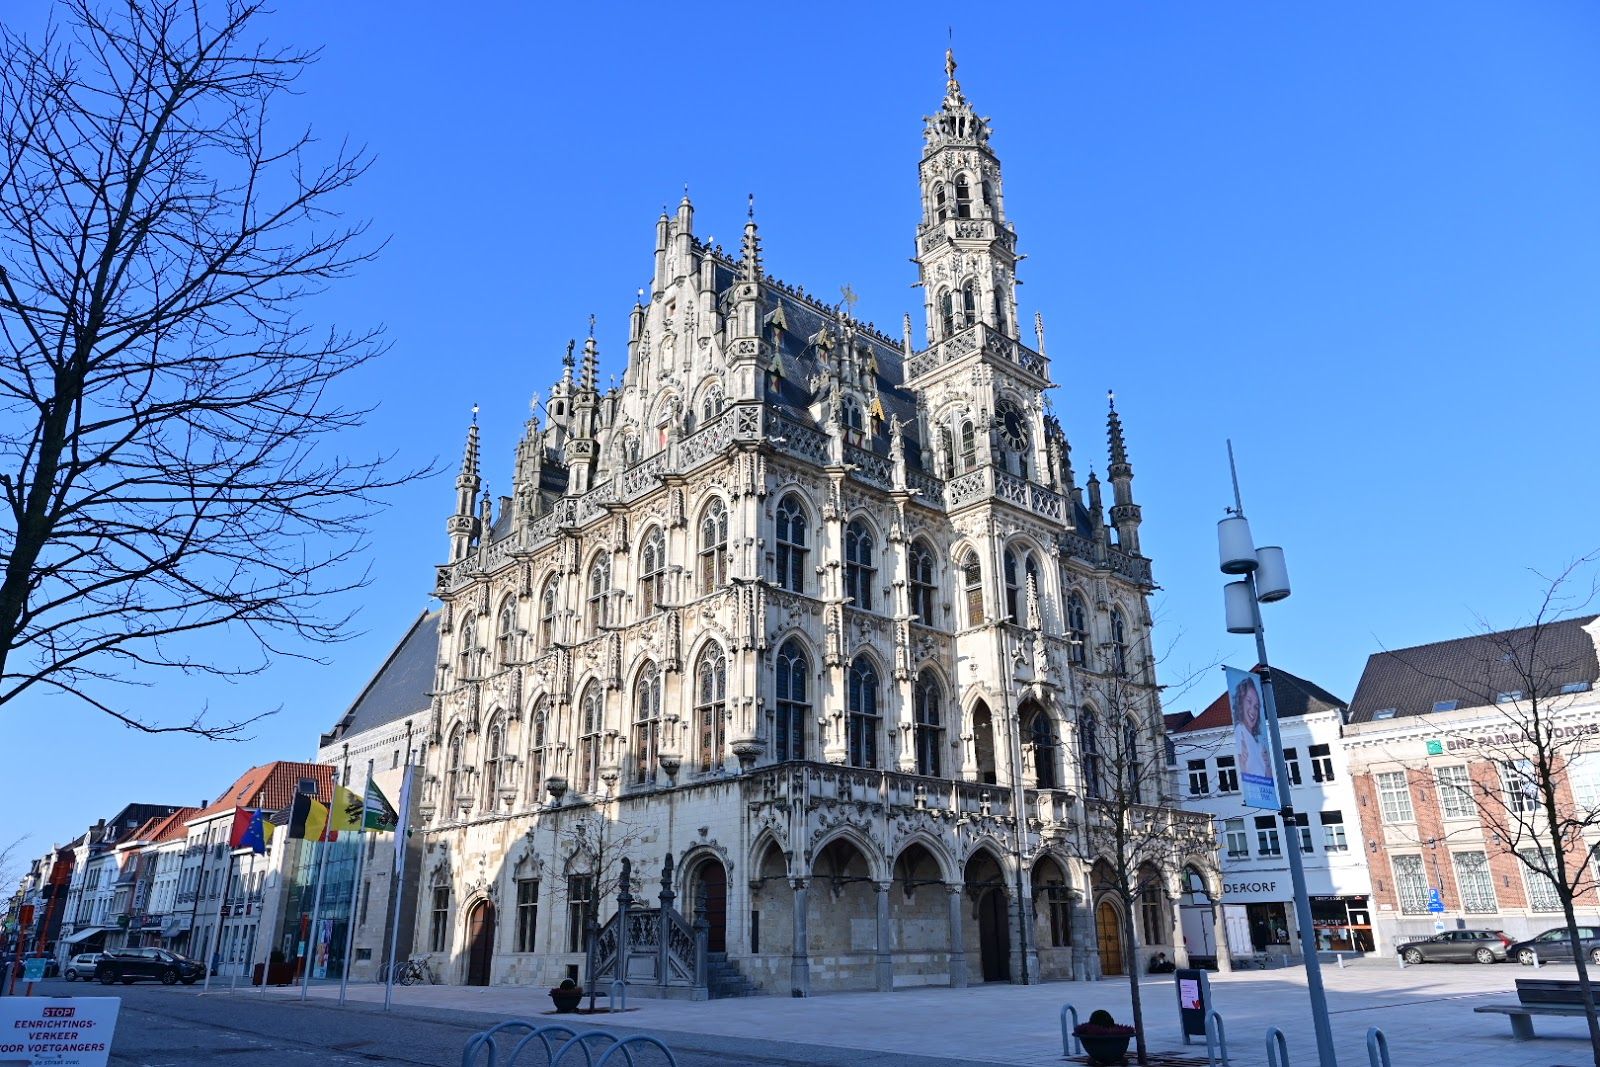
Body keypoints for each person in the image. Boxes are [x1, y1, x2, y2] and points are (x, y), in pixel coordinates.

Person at [1232, 677, 1270, 777]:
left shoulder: (1258, 743)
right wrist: (1242, 762)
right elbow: (1243, 776)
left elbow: (1268, 780)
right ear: (1241, 702)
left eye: (1256, 707)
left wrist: (1267, 765)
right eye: (1249, 701)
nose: (1253, 711)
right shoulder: (1240, 731)